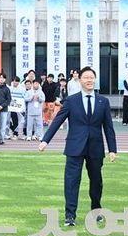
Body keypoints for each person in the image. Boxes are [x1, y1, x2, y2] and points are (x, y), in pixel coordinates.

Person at [39, 67, 117, 227]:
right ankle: (70, 215)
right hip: (75, 146)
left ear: (95, 80)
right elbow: (58, 120)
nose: (89, 80)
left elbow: (108, 127)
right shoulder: (71, 100)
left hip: (95, 147)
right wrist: (45, 140)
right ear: (80, 80)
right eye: (86, 77)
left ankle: (96, 210)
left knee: (96, 181)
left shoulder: (103, 101)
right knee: (71, 181)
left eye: (91, 77)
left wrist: (112, 149)